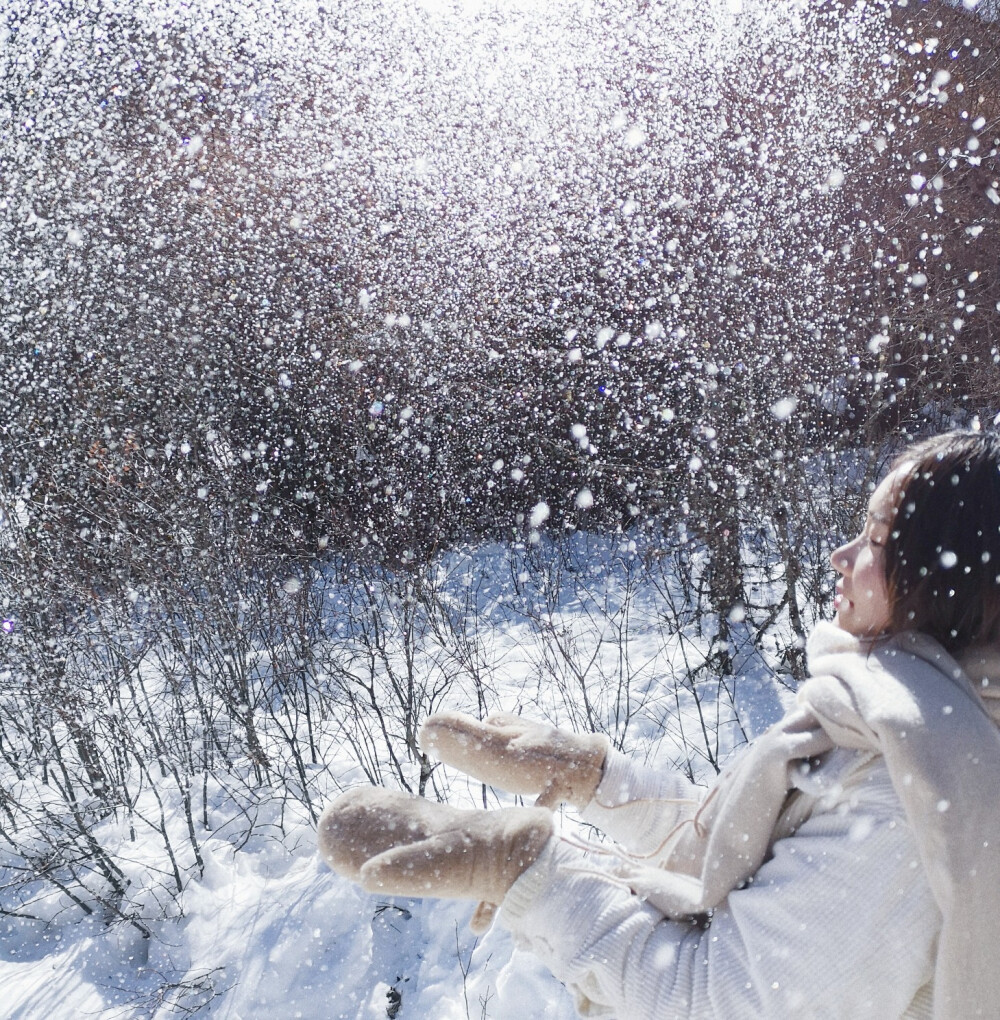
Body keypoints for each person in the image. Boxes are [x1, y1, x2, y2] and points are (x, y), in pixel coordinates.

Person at [318, 430, 1000, 1019]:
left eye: (876, 538)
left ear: (956, 576)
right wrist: (595, 776)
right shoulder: (908, 724)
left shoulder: (920, 779)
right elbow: (748, 851)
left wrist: (522, 871)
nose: (841, 557)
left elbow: (713, 1002)